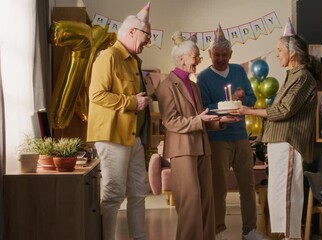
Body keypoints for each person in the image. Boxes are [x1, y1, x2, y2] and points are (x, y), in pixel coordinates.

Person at [232, 19, 322, 240]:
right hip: (280, 143)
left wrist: (249, 111)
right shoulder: (292, 77)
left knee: (287, 194)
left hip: (289, 142)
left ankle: (292, 237)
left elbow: (283, 110)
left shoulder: (302, 78)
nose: (277, 54)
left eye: (280, 50)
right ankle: (285, 236)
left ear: (292, 54)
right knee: (278, 194)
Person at [156, 31, 239, 240]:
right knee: (190, 202)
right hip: (182, 150)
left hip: (202, 147)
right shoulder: (166, 85)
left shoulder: (193, 85)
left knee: (206, 201)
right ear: (181, 58)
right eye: (195, 56)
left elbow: (201, 118)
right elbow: (170, 121)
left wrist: (220, 121)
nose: (199, 60)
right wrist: (199, 120)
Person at [86, 2, 153, 240]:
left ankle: (140, 237)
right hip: (113, 136)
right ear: (132, 31)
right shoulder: (108, 57)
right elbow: (96, 95)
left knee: (138, 191)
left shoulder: (134, 61)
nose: (149, 41)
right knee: (114, 194)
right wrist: (132, 102)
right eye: (147, 36)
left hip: (132, 138)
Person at [197, 24, 269, 240]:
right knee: (219, 188)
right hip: (218, 138)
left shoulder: (238, 70)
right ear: (209, 54)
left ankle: (250, 231)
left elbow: (251, 99)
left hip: (240, 136)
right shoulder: (203, 78)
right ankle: (218, 230)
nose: (220, 59)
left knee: (248, 186)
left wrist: (241, 98)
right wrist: (222, 114)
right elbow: (205, 108)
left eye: (224, 55)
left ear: (231, 54)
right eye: (216, 55)